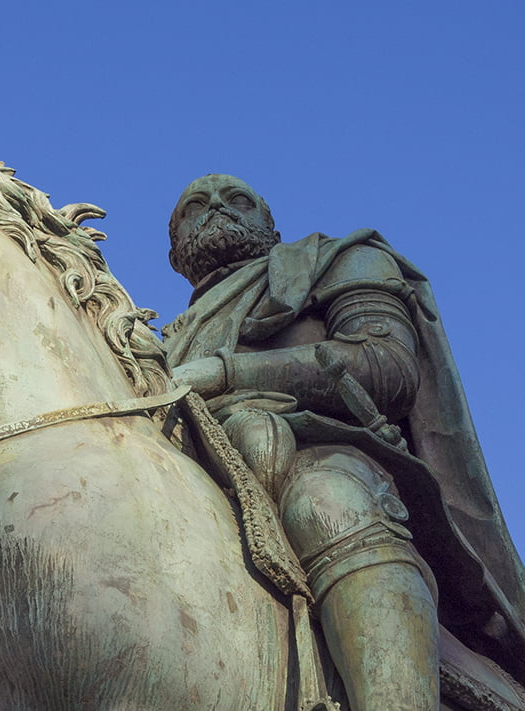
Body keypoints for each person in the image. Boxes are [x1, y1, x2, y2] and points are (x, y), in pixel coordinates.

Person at [163, 174, 525, 709]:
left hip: (321, 447)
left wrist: (226, 373)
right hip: (202, 454)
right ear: (174, 253)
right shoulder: (162, 338)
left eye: (238, 200)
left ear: (270, 225)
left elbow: (389, 367)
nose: (217, 207)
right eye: (195, 207)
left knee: (330, 503)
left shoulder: (338, 258)